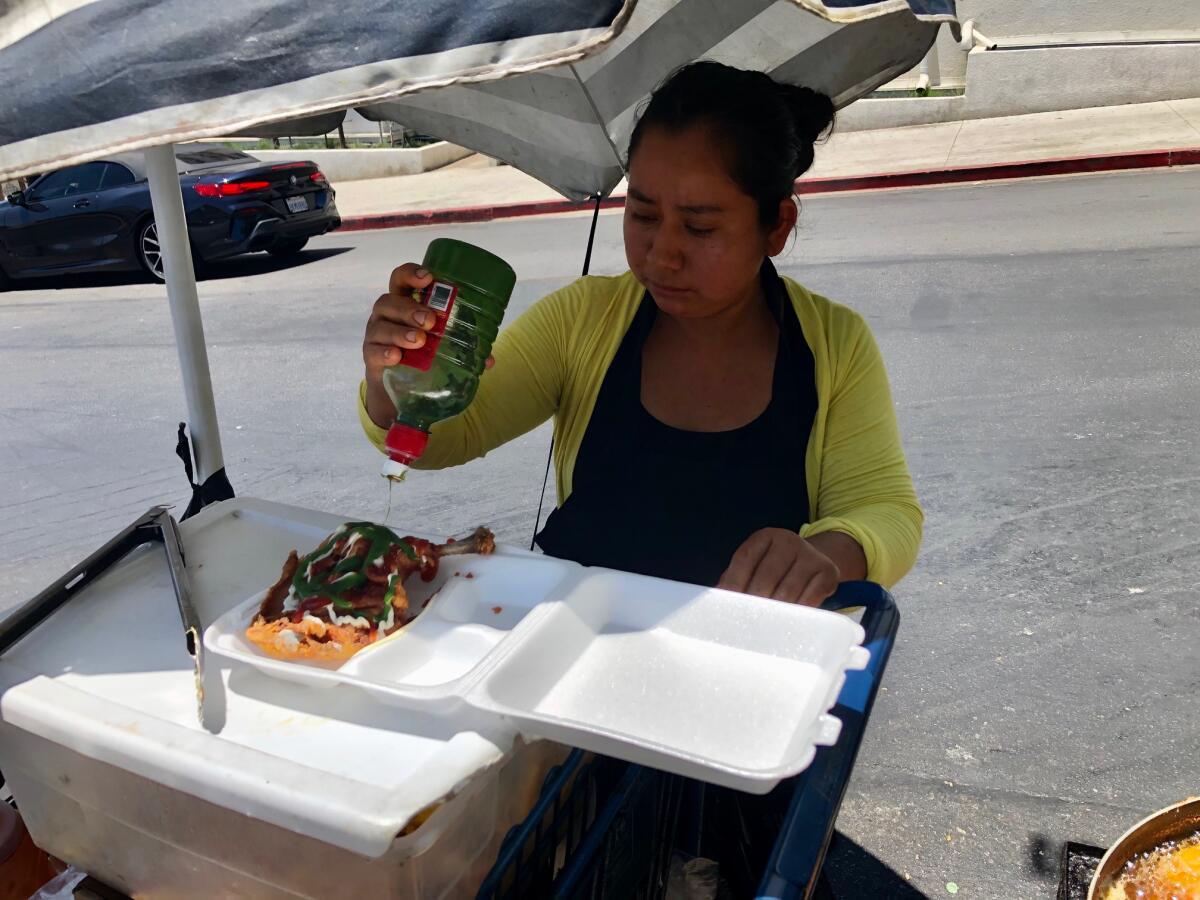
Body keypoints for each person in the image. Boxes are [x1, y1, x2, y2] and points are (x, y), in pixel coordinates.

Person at [359, 60, 922, 607]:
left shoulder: (834, 343)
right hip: (570, 647)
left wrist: (828, 550)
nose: (662, 254)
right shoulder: (582, 318)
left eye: (700, 227)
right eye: (643, 215)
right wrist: (392, 377)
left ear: (775, 226)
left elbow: (885, 509)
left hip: (746, 663)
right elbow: (448, 436)